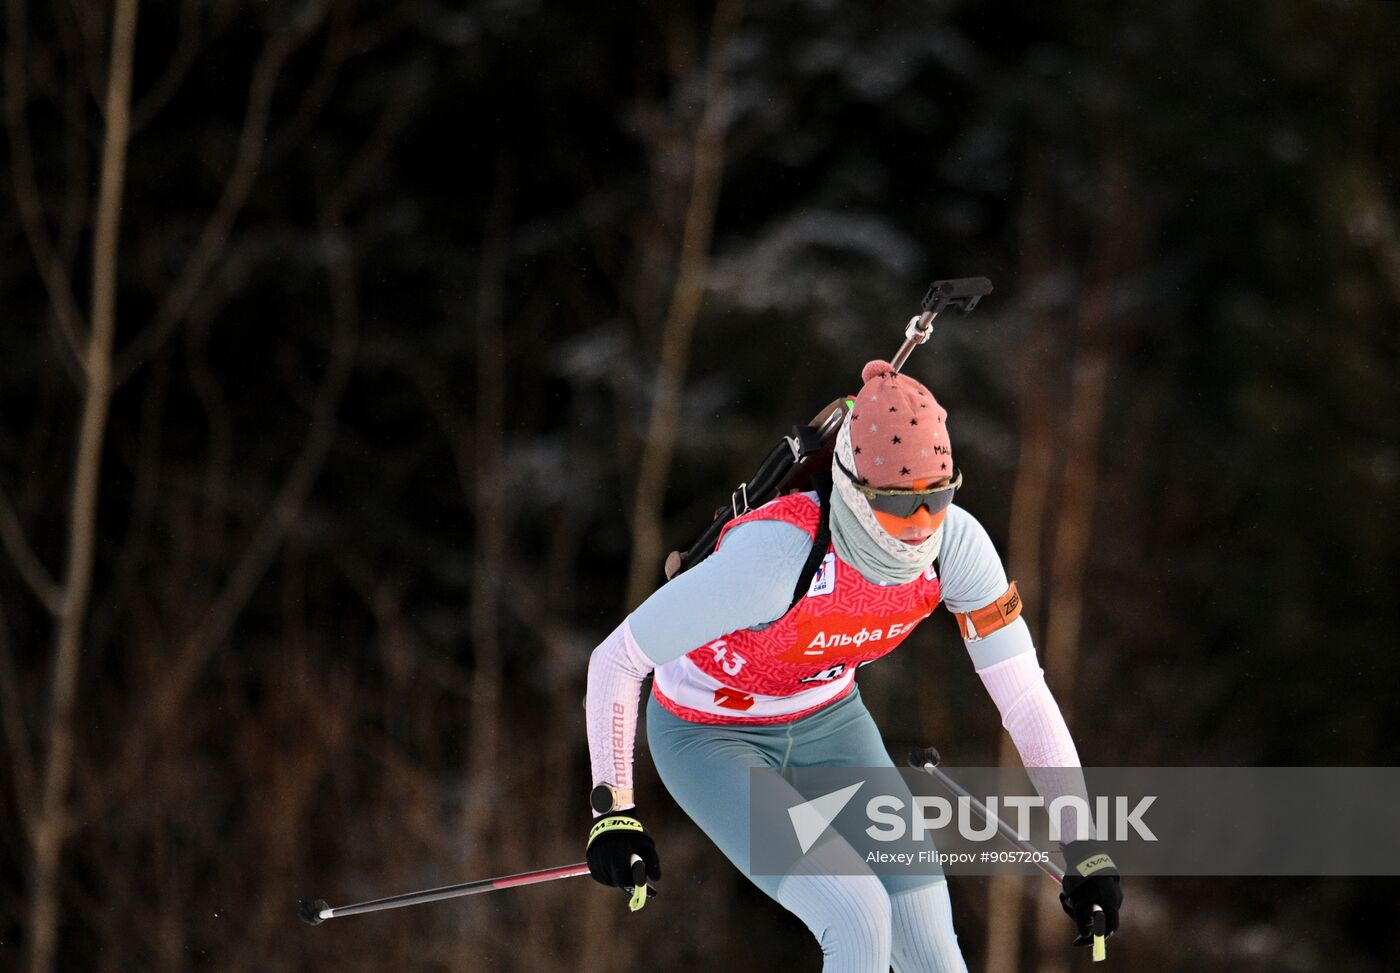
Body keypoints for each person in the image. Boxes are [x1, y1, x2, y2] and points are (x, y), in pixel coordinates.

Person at [583, 360, 1122, 972]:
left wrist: (1084, 846)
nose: (921, 527)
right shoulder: (777, 556)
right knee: (855, 911)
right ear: (854, 491)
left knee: (931, 945)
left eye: (937, 498)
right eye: (898, 505)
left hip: (832, 726)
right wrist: (614, 814)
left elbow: (1025, 698)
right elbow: (617, 660)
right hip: (709, 735)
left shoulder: (961, 548)